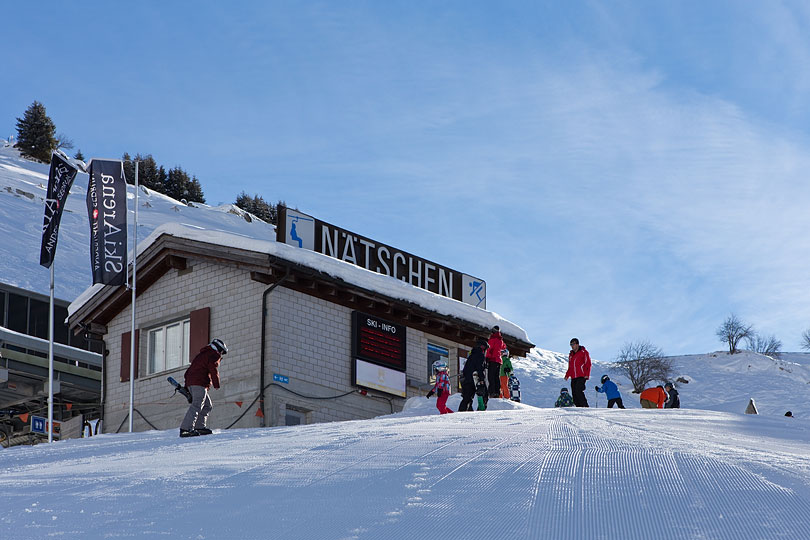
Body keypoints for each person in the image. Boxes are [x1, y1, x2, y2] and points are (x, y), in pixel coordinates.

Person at [179, 338, 228, 437]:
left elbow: (189, 371)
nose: (221, 354)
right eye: (222, 351)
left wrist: (187, 387)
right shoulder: (213, 355)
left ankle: (199, 427)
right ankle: (186, 429)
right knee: (197, 405)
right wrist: (216, 384)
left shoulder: (202, 355)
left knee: (207, 405)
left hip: (193, 383)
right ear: (218, 348)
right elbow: (213, 369)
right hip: (199, 383)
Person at [459, 338, 488, 412]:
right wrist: (481, 379)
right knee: (483, 395)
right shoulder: (480, 355)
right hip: (475, 379)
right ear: (482, 347)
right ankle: (480, 411)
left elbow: (465, 369)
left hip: (467, 379)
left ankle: (463, 413)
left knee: (467, 398)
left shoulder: (471, 355)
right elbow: (480, 368)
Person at [564, 338, 591, 407]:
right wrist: (567, 375)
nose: (572, 346)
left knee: (578, 390)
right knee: (574, 393)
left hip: (581, 375)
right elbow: (570, 367)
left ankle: (584, 406)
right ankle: (578, 407)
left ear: (577, 344)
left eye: (573, 344)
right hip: (573, 376)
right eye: (571, 344)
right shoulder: (571, 355)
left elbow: (588, 363)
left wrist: (586, 374)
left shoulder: (583, 352)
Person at [486, 326, 506, 398]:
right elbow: (504, 347)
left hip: (493, 359)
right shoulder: (500, 340)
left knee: (491, 376)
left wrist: (487, 357)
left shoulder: (492, 339)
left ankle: (492, 391)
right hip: (499, 360)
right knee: (496, 377)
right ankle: (497, 392)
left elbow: (489, 349)